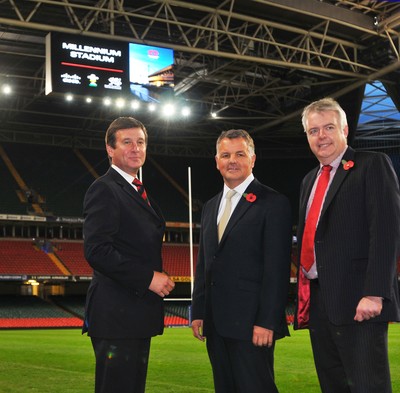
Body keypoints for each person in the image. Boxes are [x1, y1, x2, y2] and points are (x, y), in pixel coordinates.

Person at [294, 97, 400, 393]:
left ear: (345, 129)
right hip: (319, 304)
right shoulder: (308, 181)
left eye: (329, 127)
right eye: (313, 131)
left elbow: (386, 230)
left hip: (359, 302)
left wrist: (375, 292)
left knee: (368, 386)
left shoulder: (371, 164)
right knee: (334, 386)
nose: (321, 136)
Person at [191, 129, 292, 393]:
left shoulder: (273, 202)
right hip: (215, 323)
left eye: (239, 154)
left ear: (253, 159)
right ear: (216, 161)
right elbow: (204, 263)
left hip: (252, 325)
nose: (232, 160)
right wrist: (198, 311)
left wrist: (267, 321)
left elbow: (277, 270)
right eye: (225, 155)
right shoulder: (210, 206)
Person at [82, 116, 175, 393]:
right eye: (127, 142)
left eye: (141, 142)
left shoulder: (136, 188)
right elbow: (97, 250)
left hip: (133, 314)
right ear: (110, 149)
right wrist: (148, 278)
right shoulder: (105, 188)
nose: (136, 148)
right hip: (116, 315)